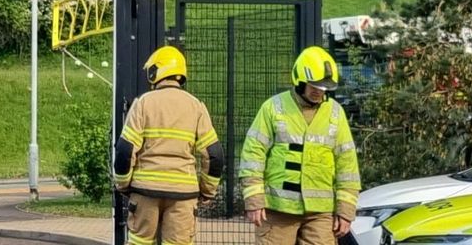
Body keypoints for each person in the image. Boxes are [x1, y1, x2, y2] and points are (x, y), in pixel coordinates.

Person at [239, 46, 361, 245]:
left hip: (320, 214)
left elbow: (347, 165)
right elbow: (253, 155)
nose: (319, 92)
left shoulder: (335, 113)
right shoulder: (273, 108)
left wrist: (345, 211)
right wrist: (254, 200)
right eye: (314, 86)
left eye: (324, 88)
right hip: (278, 210)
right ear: (300, 81)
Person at [114, 46, 225, 245]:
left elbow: (125, 150)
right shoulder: (196, 106)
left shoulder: (143, 104)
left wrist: (123, 184)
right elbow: (214, 154)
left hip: (144, 191)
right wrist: (207, 191)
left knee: (140, 242)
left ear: (155, 71)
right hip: (183, 195)